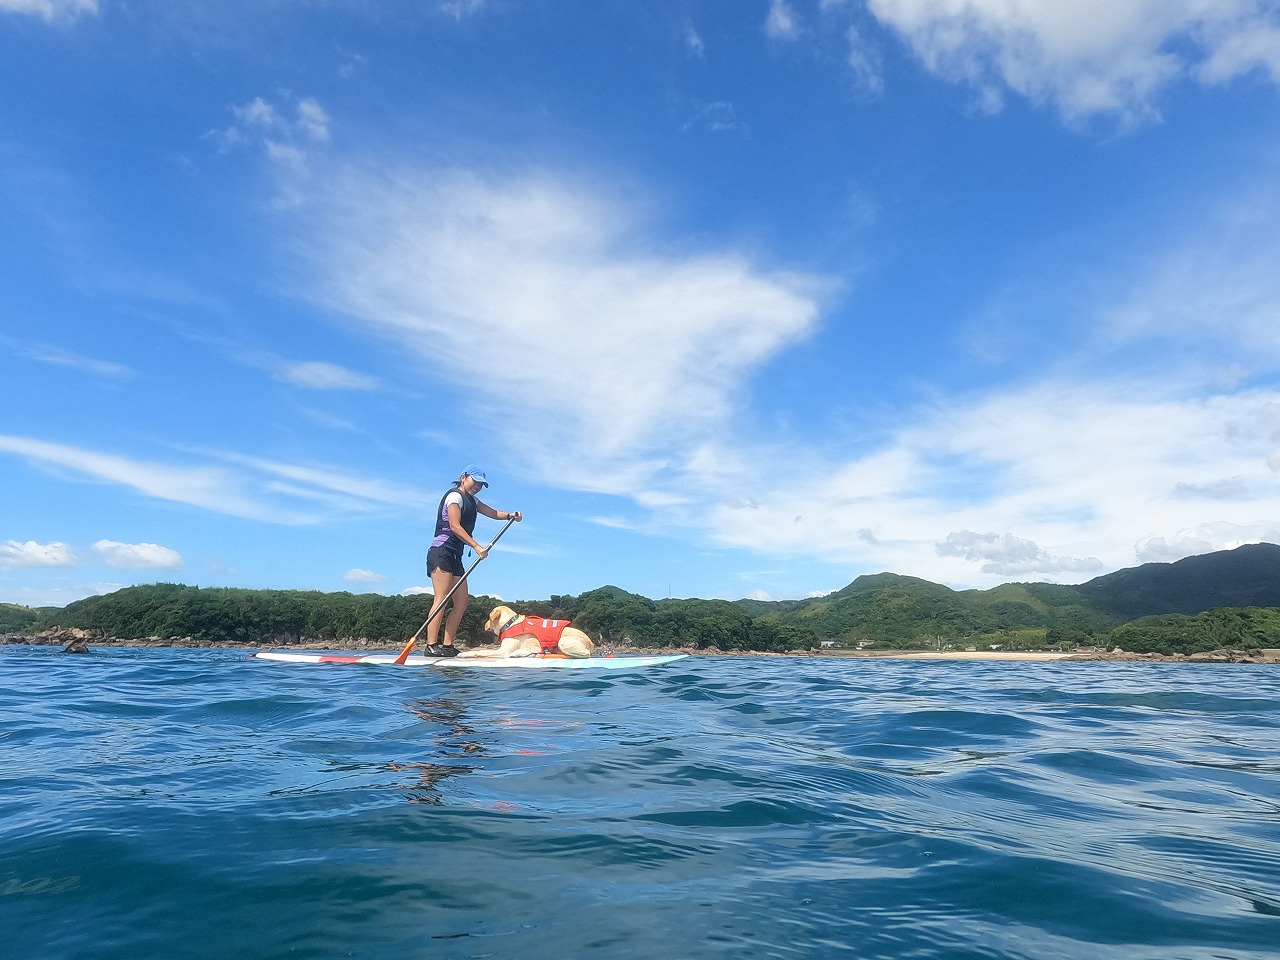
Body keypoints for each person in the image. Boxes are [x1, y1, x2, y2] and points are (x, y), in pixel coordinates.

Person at [423, 465, 522, 656]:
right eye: (475, 481)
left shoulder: (473, 501)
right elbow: (454, 526)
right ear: (463, 477)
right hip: (441, 551)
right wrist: (476, 546)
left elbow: (493, 513)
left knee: (462, 601)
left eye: (481, 484)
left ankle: (447, 645)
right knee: (441, 599)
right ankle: (430, 645)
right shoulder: (454, 497)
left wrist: (510, 515)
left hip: (455, 555)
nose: (477, 486)